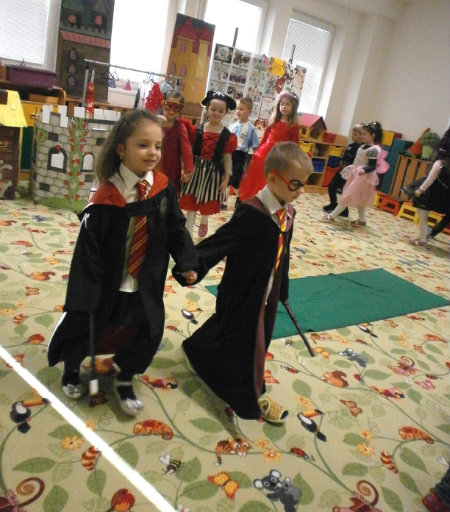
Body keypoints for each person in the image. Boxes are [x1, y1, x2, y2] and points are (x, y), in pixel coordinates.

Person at [47, 110, 198, 416]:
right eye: (143, 145)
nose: (153, 152)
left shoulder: (162, 187)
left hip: (146, 278)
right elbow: (87, 252)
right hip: (105, 281)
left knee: (147, 331)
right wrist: (86, 292)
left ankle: (125, 375)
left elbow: (176, 227)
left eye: (157, 146)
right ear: (121, 149)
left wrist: (186, 261)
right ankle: (72, 369)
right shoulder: (106, 198)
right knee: (89, 327)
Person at [175, 142, 313, 423]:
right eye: (295, 184)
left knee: (230, 330)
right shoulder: (252, 214)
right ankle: (251, 397)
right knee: (251, 345)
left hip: (266, 291)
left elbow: (283, 253)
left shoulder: (288, 213)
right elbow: (221, 242)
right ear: (273, 179)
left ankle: (197, 350)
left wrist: (282, 288)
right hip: (242, 293)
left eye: (304, 184)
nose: (301, 191)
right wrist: (193, 264)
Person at [179, 90, 237, 238]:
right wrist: (185, 168)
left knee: (207, 198)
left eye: (221, 111)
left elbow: (227, 157)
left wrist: (226, 178)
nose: (216, 113)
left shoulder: (227, 136)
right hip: (196, 171)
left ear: (225, 113)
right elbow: (189, 150)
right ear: (207, 109)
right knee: (192, 201)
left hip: (213, 174)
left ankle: (204, 220)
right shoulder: (198, 129)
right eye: (213, 109)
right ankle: (188, 234)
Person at [321, 121, 389, 227]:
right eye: (362, 134)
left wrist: (364, 170)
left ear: (372, 136)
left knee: (347, 196)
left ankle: (332, 216)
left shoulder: (373, 150)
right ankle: (362, 220)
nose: (362, 136)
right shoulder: (362, 146)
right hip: (356, 175)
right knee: (360, 199)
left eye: (365, 134)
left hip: (363, 178)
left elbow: (372, 166)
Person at [238, 90, 301, 201]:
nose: (284, 107)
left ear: (293, 107)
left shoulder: (293, 125)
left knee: (270, 179)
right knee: (258, 176)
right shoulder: (274, 120)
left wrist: (292, 160)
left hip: (279, 156)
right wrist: (257, 151)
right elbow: (265, 138)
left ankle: (265, 200)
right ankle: (252, 198)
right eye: (282, 104)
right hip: (264, 153)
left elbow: (294, 145)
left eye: (287, 104)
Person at [409, 145, 450, 246]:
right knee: (424, 214)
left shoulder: (439, 163)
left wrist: (420, 190)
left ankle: (423, 239)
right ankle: (424, 237)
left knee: (422, 214)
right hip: (444, 199)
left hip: (432, 195)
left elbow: (430, 179)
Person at [158, 90, 195, 195]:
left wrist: (189, 168)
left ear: (180, 110)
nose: (171, 111)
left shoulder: (180, 127)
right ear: (163, 104)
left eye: (176, 108)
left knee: (170, 190)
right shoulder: (155, 122)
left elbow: (186, 148)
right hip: (155, 160)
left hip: (172, 164)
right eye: (169, 106)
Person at [322, 124, 363, 217]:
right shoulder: (350, 145)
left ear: (361, 136)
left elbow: (355, 160)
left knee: (345, 191)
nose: (353, 136)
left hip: (349, 173)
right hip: (341, 170)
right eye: (352, 134)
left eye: (355, 135)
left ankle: (344, 210)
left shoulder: (359, 148)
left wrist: (348, 165)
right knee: (331, 185)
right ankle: (333, 203)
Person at [228, 97, 260, 207]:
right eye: (237, 109)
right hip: (229, 154)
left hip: (241, 155)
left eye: (241, 109)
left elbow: (255, 146)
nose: (238, 111)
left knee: (236, 178)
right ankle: (223, 201)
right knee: (227, 177)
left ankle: (240, 198)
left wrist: (255, 161)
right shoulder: (232, 126)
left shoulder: (251, 128)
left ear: (249, 111)